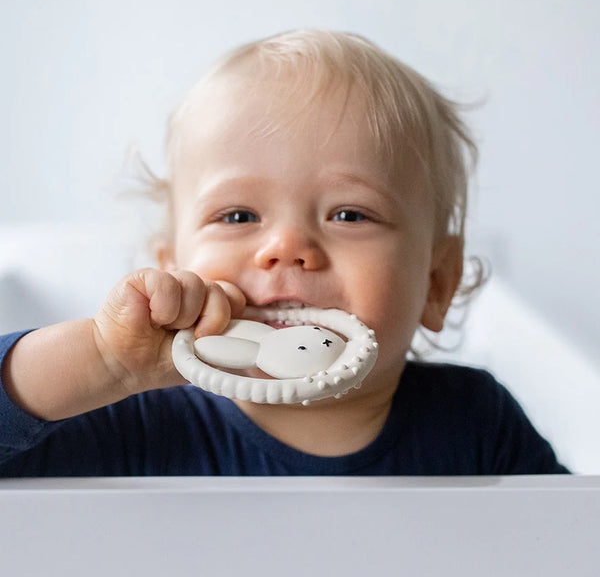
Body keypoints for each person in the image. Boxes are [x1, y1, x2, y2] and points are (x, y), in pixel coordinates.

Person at [0, 29, 569, 476]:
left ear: (437, 283)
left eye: (349, 214)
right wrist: (103, 361)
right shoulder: (132, 416)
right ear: (173, 268)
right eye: (238, 216)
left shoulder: (475, 423)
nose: (286, 248)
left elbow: (567, 538)